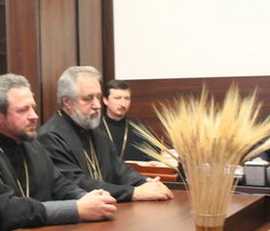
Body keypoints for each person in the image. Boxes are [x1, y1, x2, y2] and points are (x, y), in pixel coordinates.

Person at [0, 74, 117, 231]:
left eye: (33, 107)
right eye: (23, 110)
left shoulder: (32, 145)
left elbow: (60, 186)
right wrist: (77, 208)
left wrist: (88, 198)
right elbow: (6, 211)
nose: (34, 116)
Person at [38, 66, 174, 202]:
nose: (97, 105)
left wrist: (146, 182)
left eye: (98, 97)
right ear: (67, 102)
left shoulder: (96, 132)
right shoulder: (51, 137)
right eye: (88, 98)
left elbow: (119, 169)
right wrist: (133, 192)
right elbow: (77, 184)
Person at [99, 80, 154, 161]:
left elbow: (153, 161)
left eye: (126, 98)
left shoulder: (140, 130)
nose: (123, 103)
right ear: (105, 100)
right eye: (117, 98)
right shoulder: (94, 128)